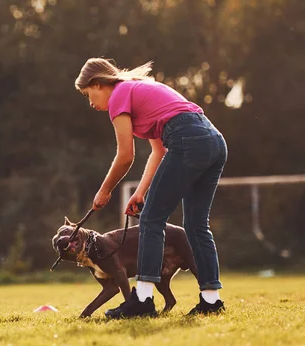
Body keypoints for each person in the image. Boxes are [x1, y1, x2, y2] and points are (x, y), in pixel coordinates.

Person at [75, 57, 227, 318]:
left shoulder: (119, 95)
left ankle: (143, 300)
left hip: (187, 139)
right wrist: (140, 192)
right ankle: (211, 300)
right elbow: (158, 151)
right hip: (213, 141)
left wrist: (105, 190)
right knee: (196, 224)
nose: (91, 103)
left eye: (89, 94)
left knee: (151, 220)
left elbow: (125, 156)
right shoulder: (138, 90)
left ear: (98, 84)